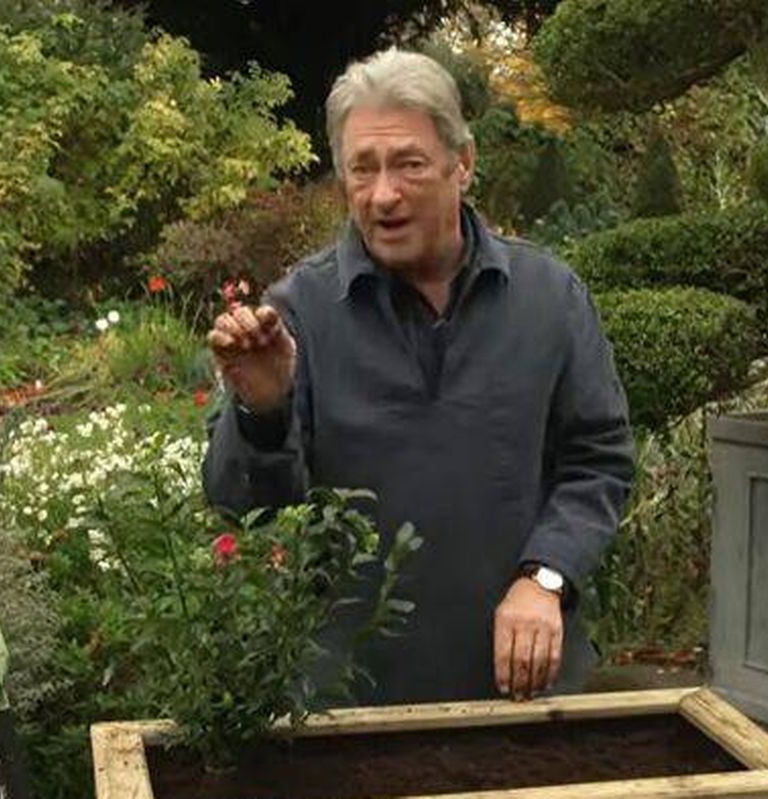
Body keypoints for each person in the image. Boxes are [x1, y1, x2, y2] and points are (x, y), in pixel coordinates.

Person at [202, 48, 634, 706]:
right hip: (352, 704)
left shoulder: (549, 298)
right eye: (362, 169)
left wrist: (545, 575)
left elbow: (598, 459)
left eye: (408, 164)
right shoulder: (297, 314)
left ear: (462, 164)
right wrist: (263, 411)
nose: (382, 195)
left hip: (526, 692)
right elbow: (247, 509)